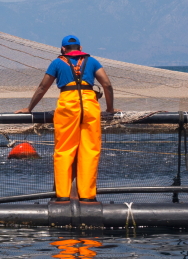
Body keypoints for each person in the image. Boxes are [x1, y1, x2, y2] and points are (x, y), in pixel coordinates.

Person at [17, 36, 115, 203]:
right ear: (80, 47)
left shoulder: (57, 63)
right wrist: (110, 109)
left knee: (64, 150)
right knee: (90, 151)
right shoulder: (91, 61)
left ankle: (62, 195)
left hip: (68, 106)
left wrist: (29, 108)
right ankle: (87, 196)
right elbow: (107, 84)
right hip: (90, 105)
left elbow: (43, 87)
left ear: (63, 49)